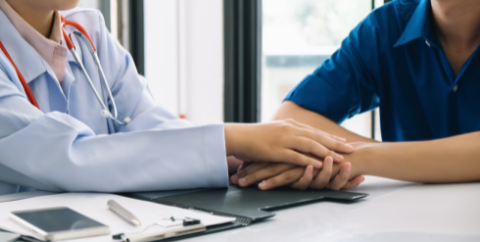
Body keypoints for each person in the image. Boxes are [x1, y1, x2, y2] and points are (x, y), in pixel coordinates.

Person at [0, 0, 356, 195]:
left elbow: (152, 126)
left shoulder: (88, 34)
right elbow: (70, 159)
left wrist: (260, 160)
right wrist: (233, 138)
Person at [231, 0, 480, 190]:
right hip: (405, 222)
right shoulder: (387, 27)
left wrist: (366, 158)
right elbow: (290, 118)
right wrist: (363, 158)